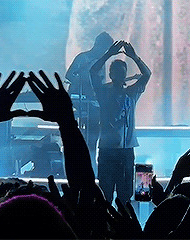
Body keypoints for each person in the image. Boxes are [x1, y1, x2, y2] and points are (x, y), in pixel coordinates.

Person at [90, 41, 151, 203]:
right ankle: (106, 225)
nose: (119, 76)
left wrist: (135, 57)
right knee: (106, 194)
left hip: (125, 150)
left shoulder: (131, 93)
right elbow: (93, 71)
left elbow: (147, 75)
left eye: (122, 73)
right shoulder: (103, 93)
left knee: (125, 194)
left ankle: (123, 223)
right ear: (111, 75)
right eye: (116, 73)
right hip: (108, 150)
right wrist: (108, 54)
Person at [65, 32, 114, 175]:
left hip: (94, 102)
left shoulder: (102, 62)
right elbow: (69, 75)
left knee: (94, 134)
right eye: (105, 48)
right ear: (98, 45)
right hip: (81, 100)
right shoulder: (83, 58)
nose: (105, 52)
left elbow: (101, 82)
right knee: (85, 133)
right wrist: (82, 84)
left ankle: (93, 164)